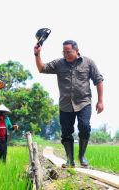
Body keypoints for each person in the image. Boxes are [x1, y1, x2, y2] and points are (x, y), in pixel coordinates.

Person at [34, 40, 104, 168]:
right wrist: (37, 54)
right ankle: (70, 160)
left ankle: (82, 156)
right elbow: (41, 68)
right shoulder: (59, 63)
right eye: (64, 52)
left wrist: (100, 101)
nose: (65, 54)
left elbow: (98, 80)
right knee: (66, 132)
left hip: (84, 102)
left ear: (77, 50)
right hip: (65, 104)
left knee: (84, 127)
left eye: (68, 52)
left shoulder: (88, 63)